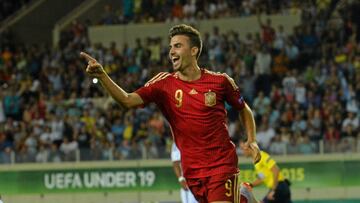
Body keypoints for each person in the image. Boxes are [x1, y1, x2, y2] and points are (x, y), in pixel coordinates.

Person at [80, 24, 261, 203]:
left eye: (178, 46)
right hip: (192, 170)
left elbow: (243, 109)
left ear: (193, 50)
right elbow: (127, 100)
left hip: (221, 164)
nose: (172, 52)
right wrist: (103, 76)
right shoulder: (164, 84)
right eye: (171, 47)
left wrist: (251, 139)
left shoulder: (219, 82)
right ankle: (244, 197)